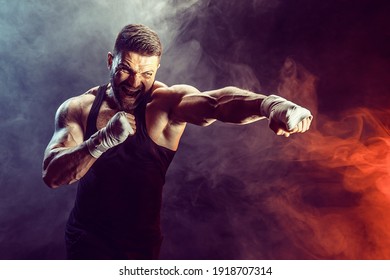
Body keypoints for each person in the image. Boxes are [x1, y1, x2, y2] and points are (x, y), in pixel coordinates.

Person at [42, 24, 313, 259]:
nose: (135, 82)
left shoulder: (165, 104)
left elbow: (216, 103)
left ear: (157, 68)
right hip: (87, 240)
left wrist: (270, 104)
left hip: (140, 245)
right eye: (126, 69)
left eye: (147, 74)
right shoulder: (79, 108)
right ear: (111, 60)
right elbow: (53, 175)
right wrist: (102, 140)